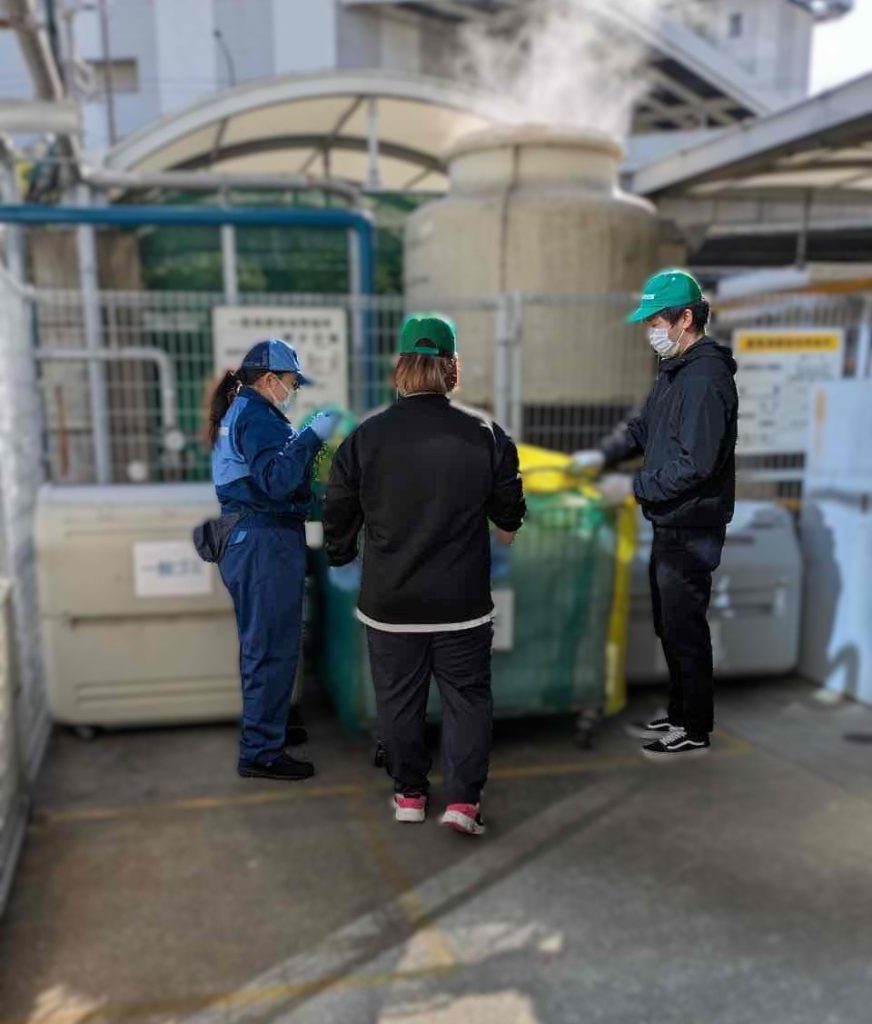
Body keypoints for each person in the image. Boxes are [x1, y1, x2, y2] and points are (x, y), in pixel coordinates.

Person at [323, 314, 526, 834]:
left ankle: (409, 794)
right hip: (462, 603)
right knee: (467, 701)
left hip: (390, 603)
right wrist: (500, 527)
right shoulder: (485, 434)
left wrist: (341, 553)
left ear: (400, 367)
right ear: (452, 368)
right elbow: (508, 520)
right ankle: (463, 803)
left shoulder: (366, 438)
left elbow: (338, 512)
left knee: (398, 702)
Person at [573, 270, 738, 761]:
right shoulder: (675, 370)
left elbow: (696, 464)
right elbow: (644, 427)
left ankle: (695, 725)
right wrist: (604, 455)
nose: (651, 331)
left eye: (655, 321)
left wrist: (632, 487)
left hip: (692, 526)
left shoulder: (705, 379)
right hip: (671, 519)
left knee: (685, 626)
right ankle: (679, 711)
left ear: (685, 318)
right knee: (670, 623)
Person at [205, 338, 340, 781]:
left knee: (266, 644)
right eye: (291, 382)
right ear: (268, 380)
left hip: (256, 539)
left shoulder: (248, 412)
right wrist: (311, 436)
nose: (293, 390)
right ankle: (261, 751)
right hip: (262, 542)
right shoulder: (257, 418)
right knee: (270, 647)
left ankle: (269, 730)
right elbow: (277, 481)